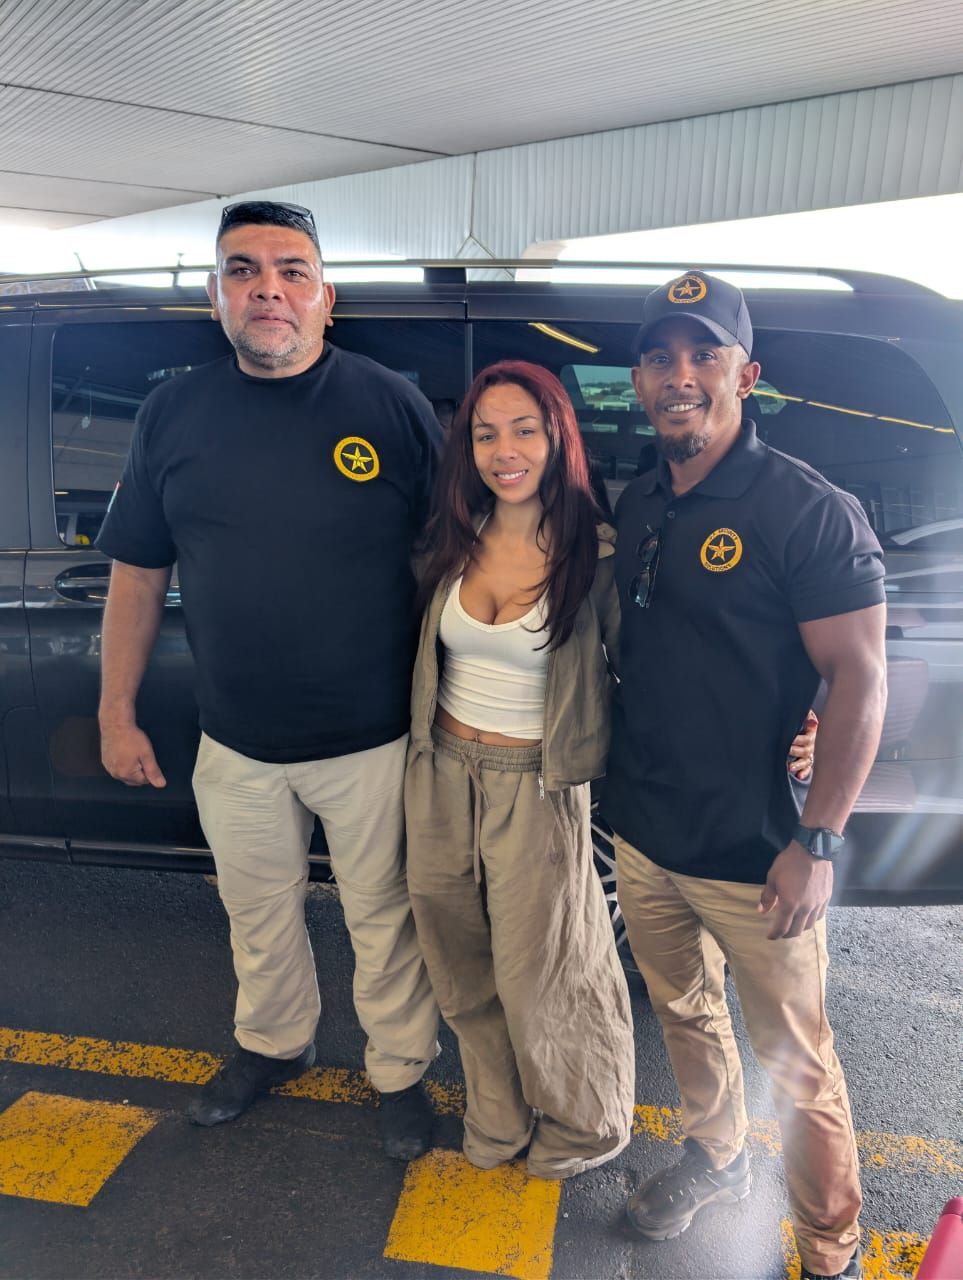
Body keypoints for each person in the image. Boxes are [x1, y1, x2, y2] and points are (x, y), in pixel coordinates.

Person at [96, 200, 442, 1160]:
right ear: (216, 297)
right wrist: (116, 713)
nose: (268, 290)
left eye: (291, 271)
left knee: (386, 919)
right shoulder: (172, 414)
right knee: (255, 913)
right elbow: (137, 574)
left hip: (373, 736)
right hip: (235, 738)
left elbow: (446, 564)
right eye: (242, 271)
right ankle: (274, 1044)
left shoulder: (388, 406)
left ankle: (399, 1071)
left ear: (326, 297)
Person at [604, 271, 887, 1280]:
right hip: (645, 837)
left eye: (704, 354)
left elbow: (859, 676)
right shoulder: (641, 498)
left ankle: (829, 1248)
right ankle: (717, 1157)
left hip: (760, 854)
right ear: (639, 381)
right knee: (684, 1014)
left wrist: (818, 840)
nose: (679, 375)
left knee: (798, 1064)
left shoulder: (805, 509)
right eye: (660, 358)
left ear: (745, 374)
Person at [404, 360, 637, 1179]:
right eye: (485, 434)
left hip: (535, 784)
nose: (505, 451)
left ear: (556, 438)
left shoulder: (594, 555)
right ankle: (497, 1116)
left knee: (544, 972)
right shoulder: (449, 543)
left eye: (524, 430)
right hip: (437, 771)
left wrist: (792, 724)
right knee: (458, 962)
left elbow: (646, 669)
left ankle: (583, 1122)